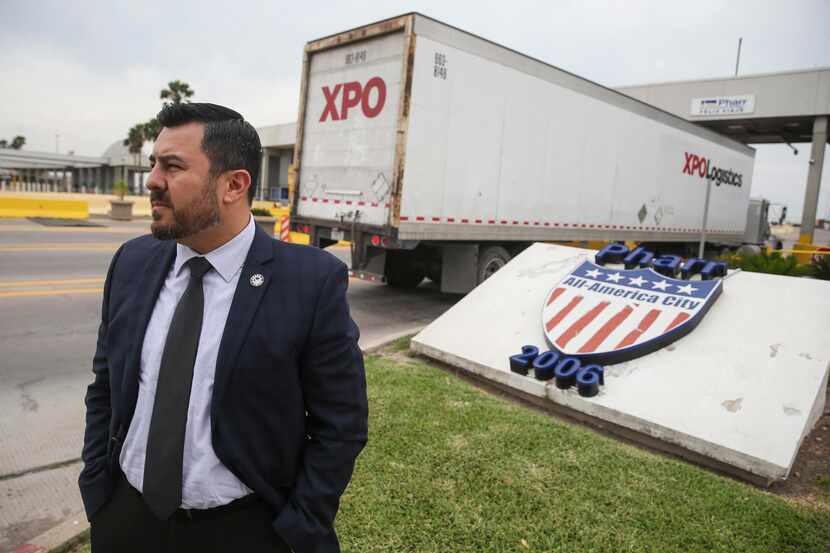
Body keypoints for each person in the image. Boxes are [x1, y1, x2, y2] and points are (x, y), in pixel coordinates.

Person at [79, 103, 368, 553]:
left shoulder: (310, 283)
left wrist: (298, 527)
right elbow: (105, 388)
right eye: (155, 163)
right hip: (126, 521)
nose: (152, 180)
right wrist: (98, 491)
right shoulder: (131, 263)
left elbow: (341, 425)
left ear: (234, 184)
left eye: (172, 166)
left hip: (243, 530)